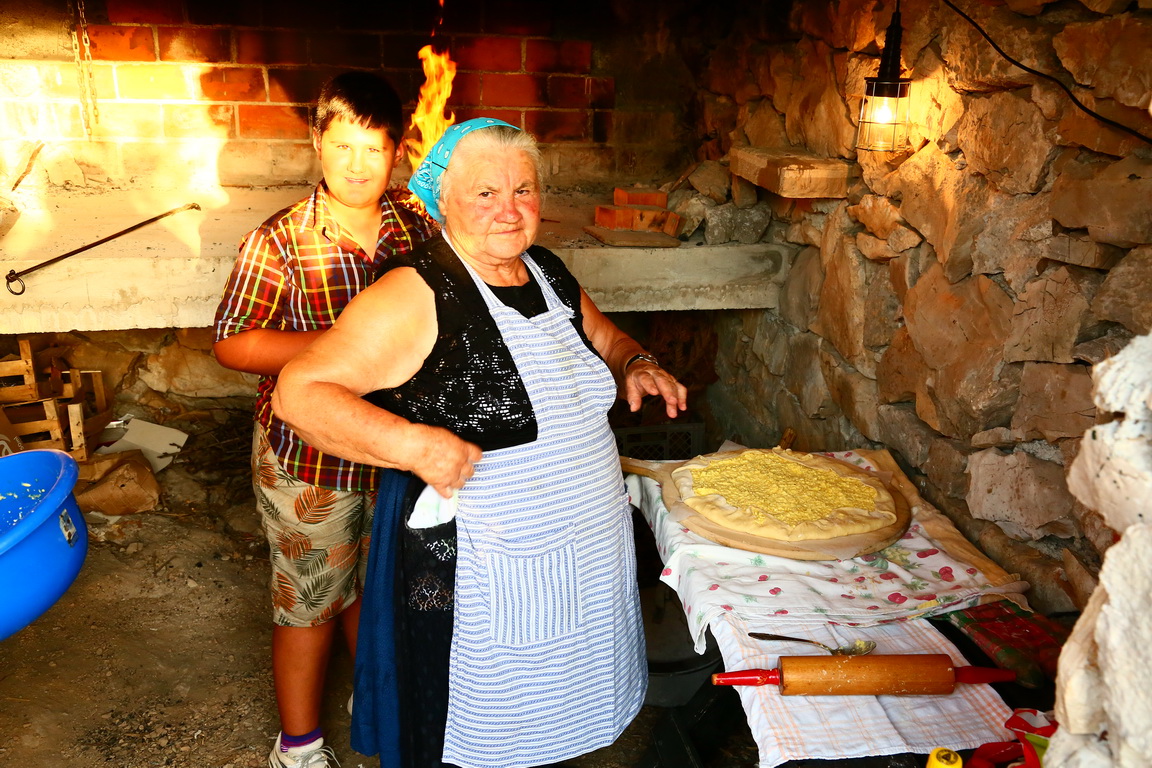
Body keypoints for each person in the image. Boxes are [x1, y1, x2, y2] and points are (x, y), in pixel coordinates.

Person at [271, 118, 689, 768]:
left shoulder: (545, 271)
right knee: (474, 728)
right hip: (483, 567)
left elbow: (605, 339)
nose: (509, 209)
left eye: (524, 190)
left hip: (583, 555)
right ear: (444, 200)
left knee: (562, 706)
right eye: (486, 193)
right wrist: (412, 445)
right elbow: (301, 391)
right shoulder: (414, 292)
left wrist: (636, 363)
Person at [212, 71, 432, 768]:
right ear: (317, 143)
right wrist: (343, 349)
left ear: (397, 152)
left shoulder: (415, 227)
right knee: (309, 601)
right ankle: (298, 745)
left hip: (392, 453)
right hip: (308, 462)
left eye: (373, 149)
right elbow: (232, 340)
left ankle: (370, 697)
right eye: (342, 147)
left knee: (375, 586)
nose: (357, 165)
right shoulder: (280, 242)